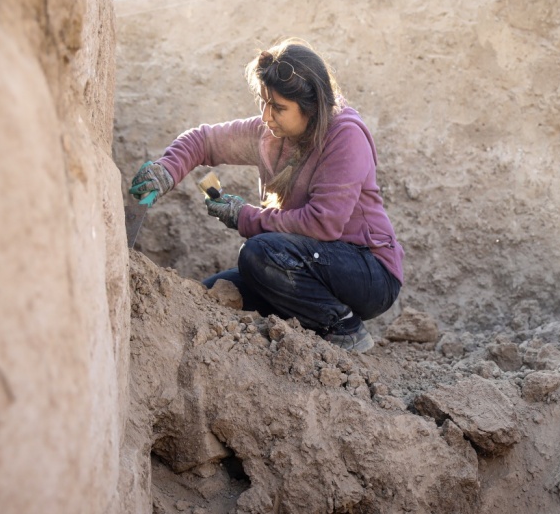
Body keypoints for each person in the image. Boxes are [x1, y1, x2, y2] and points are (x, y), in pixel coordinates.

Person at [128, 38, 403, 353]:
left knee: (258, 254)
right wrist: (167, 170)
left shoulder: (345, 136)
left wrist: (242, 216)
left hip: (367, 273)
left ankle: (343, 328)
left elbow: (322, 225)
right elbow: (203, 140)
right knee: (211, 293)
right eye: (264, 102)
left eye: (279, 107)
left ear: (311, 108)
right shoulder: (270, 134)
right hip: (308, 265)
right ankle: (315, 320)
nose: (266, 116)